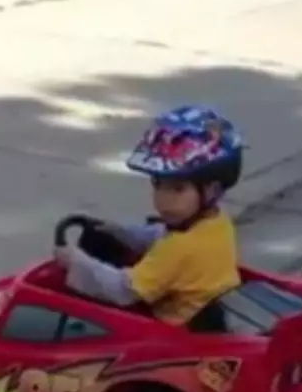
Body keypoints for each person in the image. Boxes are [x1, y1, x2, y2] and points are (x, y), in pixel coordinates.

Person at [54, 105, 244, 325]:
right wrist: (120, 232)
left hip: (168, 329)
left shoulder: (180, 249)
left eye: (177, 189)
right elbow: (160, 235)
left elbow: (123, 290)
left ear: (211, 190)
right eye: (158, 185)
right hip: (204, 313)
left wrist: (75, 261)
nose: (163, 198)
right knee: (103, 239)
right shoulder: (216, 222)